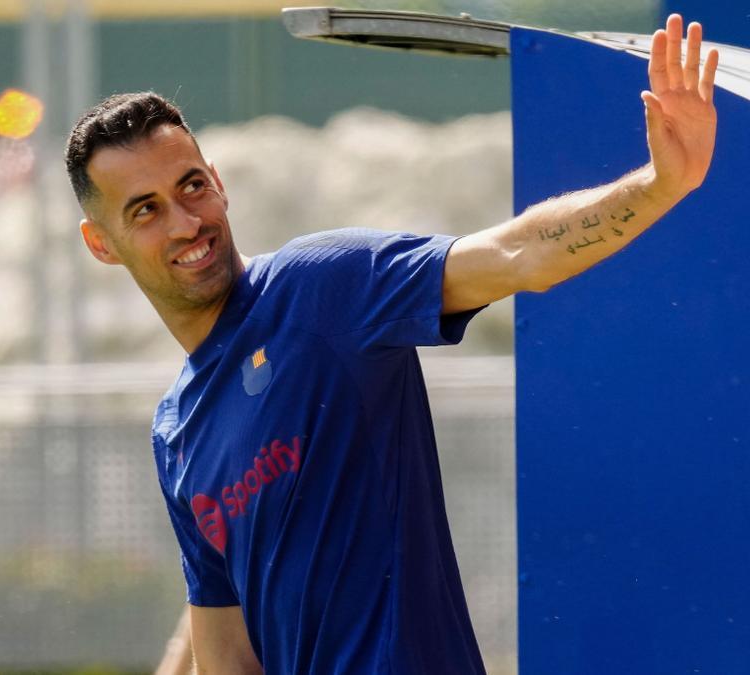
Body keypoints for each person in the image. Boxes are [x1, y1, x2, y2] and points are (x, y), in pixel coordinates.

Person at [67, 14, 718, 674]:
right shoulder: (175, 429)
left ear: (219, 181)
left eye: (192, 186)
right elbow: (226, 652)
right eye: (145, 209)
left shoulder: (324, 285)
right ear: (102, 244)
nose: (185, 222)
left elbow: (517, 252)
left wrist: (663, 183)